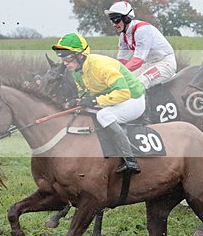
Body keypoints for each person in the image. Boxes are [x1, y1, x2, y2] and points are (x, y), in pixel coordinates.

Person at [52, 33, 146, 174]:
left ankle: (130, 160)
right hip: (113, 100)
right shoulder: (76, 71)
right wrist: (77, 102)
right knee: (85, 114)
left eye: (68, 59)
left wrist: (94, 101)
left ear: (80, 55)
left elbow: (123, 93)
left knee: (104, 116)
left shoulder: (101, 66)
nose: (65, 63)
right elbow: (84, 94)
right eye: (63, 59)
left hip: (133, 99)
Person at [105, 1, 177, 89]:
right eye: (112, 20)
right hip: (150, 64)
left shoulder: (142, 30)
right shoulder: (123, 36)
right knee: (124, 81)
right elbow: (121, 61)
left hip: (165, 64)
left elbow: (138, 61)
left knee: (137, 84)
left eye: (116, 20)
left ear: (126, 18)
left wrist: (118, 72)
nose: (114, 24)